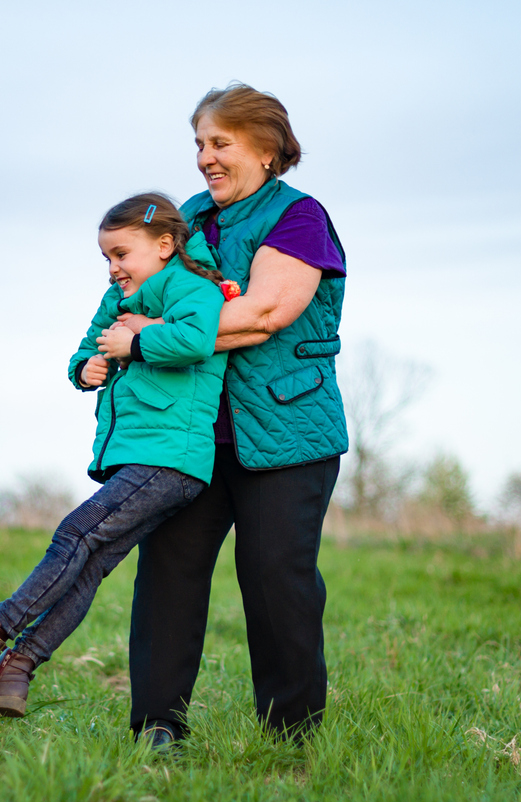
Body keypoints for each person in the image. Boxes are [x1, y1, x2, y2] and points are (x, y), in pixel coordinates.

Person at [0, 193, 230, 718]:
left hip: (171, 457)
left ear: (165, 246)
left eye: (122, 254)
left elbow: (197, 341)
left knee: (76, 533)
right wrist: (85, 371)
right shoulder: (119, 300)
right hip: (141, 455)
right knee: (87, 566)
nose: (113, 268)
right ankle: (12, 676)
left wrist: (134, 344)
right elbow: (86, 347)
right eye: (106, 257)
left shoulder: (195, 288)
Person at [119, 84, 349, 748]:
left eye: (219, 143)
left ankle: (290, 733)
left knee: (276, 574)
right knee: (167, 569)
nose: (204, 158)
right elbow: (130, 294)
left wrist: (151, 336)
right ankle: (157, 724)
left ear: (265, 147)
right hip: (191, 429)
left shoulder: (298, 217)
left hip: (285, 432)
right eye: (198, 144)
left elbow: (264, 314)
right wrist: (134, 331)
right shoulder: (183, 218)